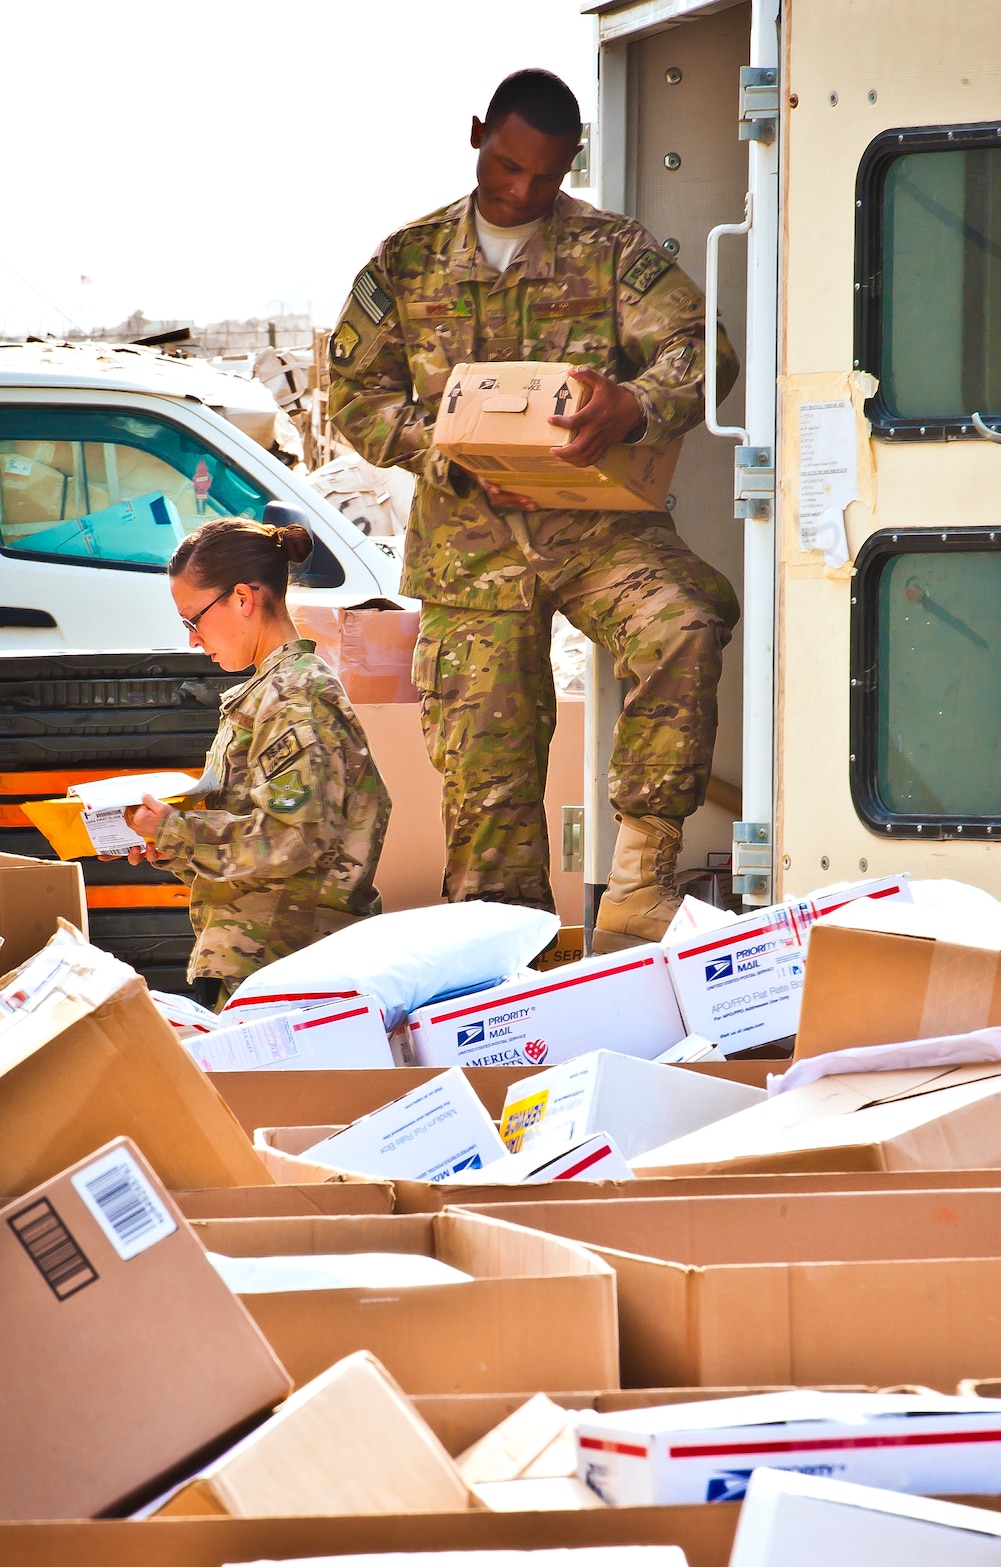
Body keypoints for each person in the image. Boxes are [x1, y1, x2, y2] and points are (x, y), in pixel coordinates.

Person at [328, 65, 740, 944]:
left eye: (546, 176)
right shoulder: (406, 260)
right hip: (470, 547)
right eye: (507, 167)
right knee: (487, 764)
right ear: (478, 135)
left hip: (598, 528)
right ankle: (501, 950)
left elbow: (702, 350)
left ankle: (638, 885)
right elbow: (356, 398)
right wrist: (446, 456)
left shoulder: (613, 249)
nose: (522, 191)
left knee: (689, 617)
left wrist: (635, 405)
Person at [126, 517, 392, 1008]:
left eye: (193, 619)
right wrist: (174, 844)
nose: (192, 639)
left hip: (287, 975)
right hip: (265, 966)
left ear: (243, 599)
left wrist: (177, 832)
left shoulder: (294, 698)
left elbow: (294, 840)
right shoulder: (271, 694)